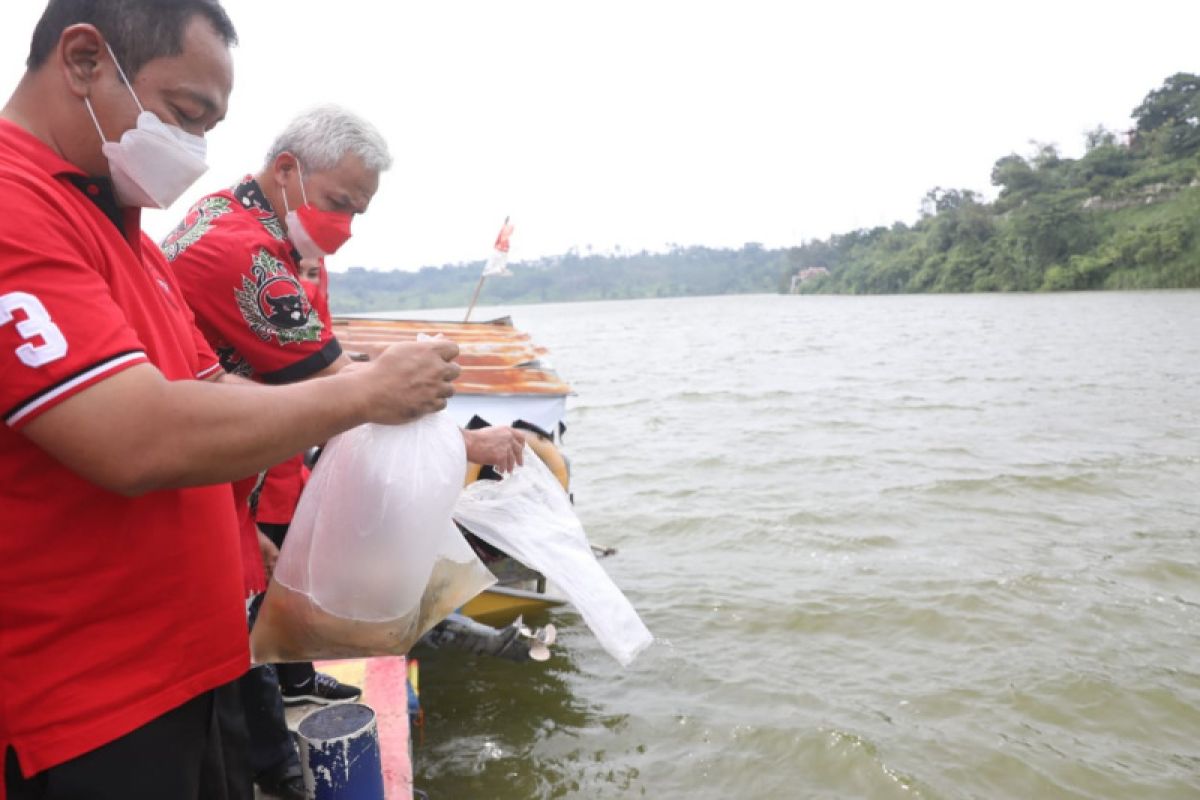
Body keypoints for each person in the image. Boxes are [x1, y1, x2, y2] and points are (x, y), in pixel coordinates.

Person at [0, 3, 488, 798]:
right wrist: (368, 392)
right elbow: (132, 436)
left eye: (208, 127)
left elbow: (208, 388)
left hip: (191, 662)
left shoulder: (127, 232)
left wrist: (234, 530)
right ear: (84, 60)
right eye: (184, 115)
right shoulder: (16, 207)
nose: (193, 150)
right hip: (89, 698)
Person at [163, 105, 525, 796]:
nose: (345, 227)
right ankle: (269, 773)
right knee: (229, 657)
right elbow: (341, 394)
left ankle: (262, 756)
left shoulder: (248, 230)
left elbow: (331, 369)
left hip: (226, 476)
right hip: (199, 480)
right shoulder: (242, 254)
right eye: (337, 203)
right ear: (287, 170)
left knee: (243, 633)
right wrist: (467, 440)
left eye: (358, 213)